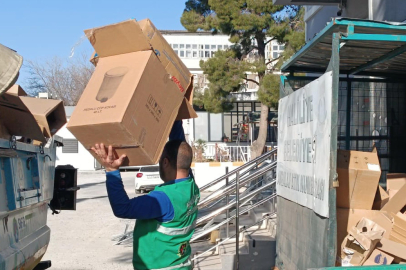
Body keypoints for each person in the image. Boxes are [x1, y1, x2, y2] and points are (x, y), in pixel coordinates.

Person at [91, 121, 200, 270]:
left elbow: (122, 208)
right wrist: (175, 116)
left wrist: (111, 170)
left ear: (165, 162)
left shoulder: (163, 199)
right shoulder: (191, 186)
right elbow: (179, 146)